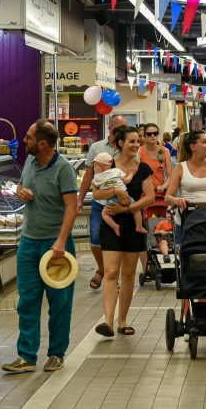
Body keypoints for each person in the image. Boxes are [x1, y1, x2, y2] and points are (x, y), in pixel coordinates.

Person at [2, 120, 77, 374]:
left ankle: (56, 354)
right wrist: (20, 191)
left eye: (29, 137)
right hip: (28, 242)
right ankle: (26, 356)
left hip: (56, 245)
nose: (24, 141)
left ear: (42, 143)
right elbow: (21, 185)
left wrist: (61, 241)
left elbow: (71, 207)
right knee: (27, 301)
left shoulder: (63, 169)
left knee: (59, 302)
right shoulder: (30, 162)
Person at [93, 127, 156, 338]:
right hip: (111, 223)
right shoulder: (109, 166)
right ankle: (108, 322)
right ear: (120, 144)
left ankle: (122, 320)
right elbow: (97, 192)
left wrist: (127, 208)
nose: (136, 145)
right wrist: (116, 191)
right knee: (111, 272)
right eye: (132, 141)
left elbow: (150, 197)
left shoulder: (143, 169)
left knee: (128, 274)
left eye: (138, 141)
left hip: (134, 224)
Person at [77, 115, 127, 291]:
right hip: (100, 201)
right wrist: (80, 199)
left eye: (125, 127)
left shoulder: (127, 147)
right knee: (96, 240)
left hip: (121, 203)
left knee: (118, 240)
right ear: (110, 127)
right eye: (120, 127)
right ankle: (102, 269)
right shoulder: (97, 147)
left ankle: (112, 276)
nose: (123, 130)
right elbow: (88, 175)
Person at [166, 129, 206, 243]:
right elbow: (167, 198)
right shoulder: (180, 168)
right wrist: (176, 200)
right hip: (186, 222)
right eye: (204, 142)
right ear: (193, 147)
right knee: (186, 257)